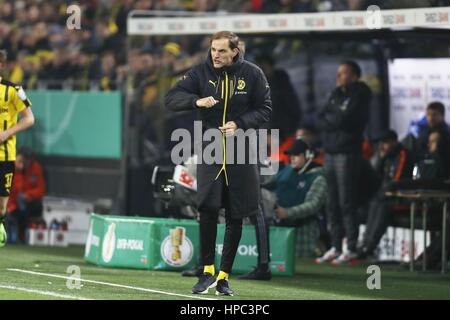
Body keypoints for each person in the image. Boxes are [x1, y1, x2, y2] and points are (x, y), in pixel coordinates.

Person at [165, 31, 272, 295]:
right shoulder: (200, 73)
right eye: (213, 49)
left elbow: (265, 108)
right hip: (211, 149)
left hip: (241, 151)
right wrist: (195, 101)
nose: (216, 55)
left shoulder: (253, 74)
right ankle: (207, 271)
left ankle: (223, 277)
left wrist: (240, 124)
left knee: (236, 214)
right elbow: (171, 98)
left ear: (234, 51)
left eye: (222, 50)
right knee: (207, 208)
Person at [315, 60, 372, 265]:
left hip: (348, 153)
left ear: (355, 75)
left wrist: (334, 118)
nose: (339, 76)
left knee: (346, 201)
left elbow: (346, 120)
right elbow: (319, 118)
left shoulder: (361, 94)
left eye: (344, 73)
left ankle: (351, 247)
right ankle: (336, 246)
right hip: (330, 152)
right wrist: (335, 119)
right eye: (338, 73)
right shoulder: (335, 94)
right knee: (331, 202)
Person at [264, 139, 327, 258]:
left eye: (297, 155)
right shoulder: (286, 170)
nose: (292, 158)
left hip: (302, 231)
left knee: (294, 262)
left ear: (308, 155)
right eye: (291, 155)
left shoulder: (318, 178)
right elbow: (267, 184)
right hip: (277, 227)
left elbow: (313, 205)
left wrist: (287, 213)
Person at [357, 129, 413, 259]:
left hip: (401, 197)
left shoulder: (403, 154)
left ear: (394, 142)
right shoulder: (387, 156)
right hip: (386, 195)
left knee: (382, 206)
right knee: (374, 202)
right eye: (381, 143)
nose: (381, 146)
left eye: (385, 143)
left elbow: (397, 179)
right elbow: (377, 178)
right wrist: (381, 160)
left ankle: (369, 246)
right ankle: (365, 243)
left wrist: (385, 190)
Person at [0, 49, 35, 247]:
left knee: (2, 204)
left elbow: (30, 119)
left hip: (5, 155)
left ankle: (1, 223)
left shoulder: (14, 90)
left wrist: (6, 133)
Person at [6, 148, 46, 243]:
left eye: (28, 159)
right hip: (11, 204)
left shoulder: (35, 167)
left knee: (35, 206)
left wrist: (27, 195)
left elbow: (41, 189)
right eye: (21, 160)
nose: (24, 163)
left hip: (26, 202)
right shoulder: (9, 169)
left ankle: (27, 235)